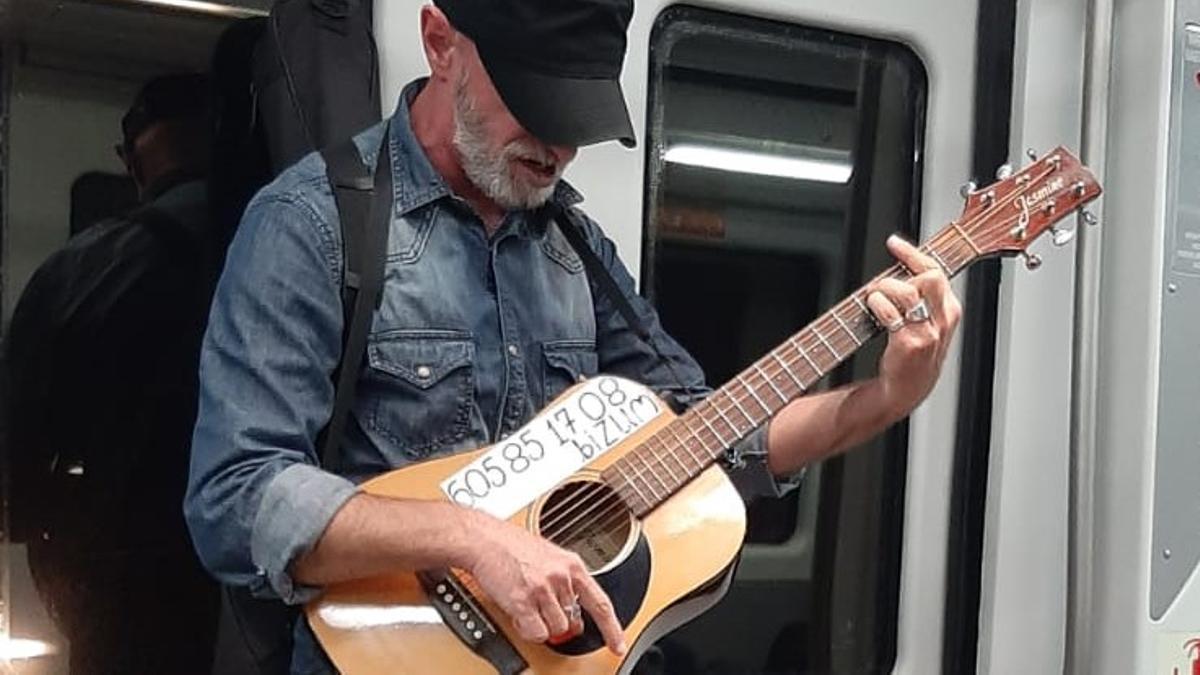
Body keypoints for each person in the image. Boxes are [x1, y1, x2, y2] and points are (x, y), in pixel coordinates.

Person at [183, 0, 962, 672]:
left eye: (576, 119)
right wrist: (471, 539)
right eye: (535, 104)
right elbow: (236, 494)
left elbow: (708, 438)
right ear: (440, 42)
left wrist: (885, 396)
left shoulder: (574, 251)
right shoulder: (313, 226)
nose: (557, 148)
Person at [5, 72, 221, 674]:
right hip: (246, 574)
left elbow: (16, 463)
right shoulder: (296, 247)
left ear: (131, 159)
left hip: (118, 580)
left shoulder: (80, 268)